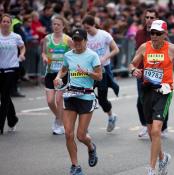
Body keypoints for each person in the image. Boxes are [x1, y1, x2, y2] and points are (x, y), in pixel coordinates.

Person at [129, 20, 174, 175]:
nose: (154, 36)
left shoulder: (172, 49)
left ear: (165, 34)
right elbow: (132, 64)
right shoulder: (144, 47)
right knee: (151, 132)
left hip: (164, 91)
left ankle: (151, 169)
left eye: (158, 33)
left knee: (156, 131)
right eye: (152, 33)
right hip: (147, 91)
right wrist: (134, 70)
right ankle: (163, 158)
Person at [53, 28, 101, 175]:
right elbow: (63, 69)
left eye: (80, 40)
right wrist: (58, 77)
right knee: (68, 133)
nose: (77, 42)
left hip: (86, 97)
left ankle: (91, 147)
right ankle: (75, 166)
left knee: (81, 135)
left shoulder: (92, 56)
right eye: (75, 40)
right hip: (71, 95)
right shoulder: (68, 55)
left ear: (85, 41)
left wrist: (87, 72)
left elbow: (99, 76)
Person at [134, 8, 169, 138]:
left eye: (152, 17)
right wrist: (134, 68)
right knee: (141, 101)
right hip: (143, 73)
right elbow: (137, 53)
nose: (149, 20)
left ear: (157, 20)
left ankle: (163, 127)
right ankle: (145, 125)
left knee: (161, 100)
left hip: (159, 73)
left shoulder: (161, 34)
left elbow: (168, 52)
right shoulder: (139, 33)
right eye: (147, 17)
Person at [82, 15, 119, 132]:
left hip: (103, 70)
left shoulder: (104, 35)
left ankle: (111, 117)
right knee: (86, 96)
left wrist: (104, 57)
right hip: (89, 70)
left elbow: (116, 49)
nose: (86, 30)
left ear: (94, 25)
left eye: (88, 28)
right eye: (85, 28)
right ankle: (84, 126)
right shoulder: (85, 37)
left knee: (102, 99)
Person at [41, 16, 73, 135]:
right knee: (50, 101)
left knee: (59, 100)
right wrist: (44, 58)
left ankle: (58, 122)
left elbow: (74, 53)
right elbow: (44, 52)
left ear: (63, 26)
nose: (56, 26)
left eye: (58, 24)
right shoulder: (47, 39)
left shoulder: (67, 40)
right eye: (54, 24)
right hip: (50, 73)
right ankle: (60, 118)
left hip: (62, 74)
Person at [0, 14, 26, 134]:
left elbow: (22, 47)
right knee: (4, 96)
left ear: (11, 24)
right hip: (1, 69)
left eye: (7, 22)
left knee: (5, 95)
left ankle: (1, 124)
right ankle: (13, 120)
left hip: (12, 68)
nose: (5, 23)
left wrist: (21, 54)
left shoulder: (16, 36)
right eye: (3, 21)